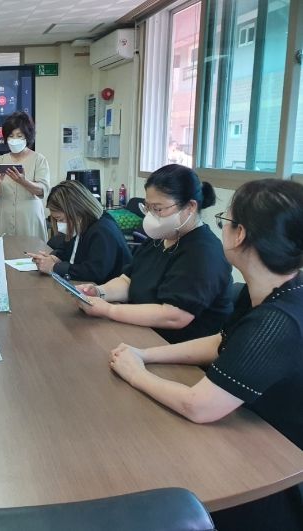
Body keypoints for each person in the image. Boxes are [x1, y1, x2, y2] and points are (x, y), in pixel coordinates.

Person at [107, 179, 303, 530]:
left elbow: (200, 406)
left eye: (225, 220)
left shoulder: (277, 321)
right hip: (248, 427)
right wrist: (146, 354)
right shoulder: (274, 290)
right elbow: (221, 342)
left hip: (276, 471)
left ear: (240, 234)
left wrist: (136, 373)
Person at [76, 164, 232, 343]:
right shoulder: (160, 238)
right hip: (141, 333)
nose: (151, 216)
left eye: (158, 209)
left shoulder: (203, 253)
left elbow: (174, 316)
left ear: (190, 207)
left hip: (174, 348)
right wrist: (99, 292)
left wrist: (109, 310)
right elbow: (128, 281)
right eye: (148, 208)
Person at [27, 180, 131, 284]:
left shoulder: (102, 231)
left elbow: (94, 272)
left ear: (75, 210)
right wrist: (54, 258)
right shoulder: (82, 224)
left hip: (106, 290)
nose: (59, 225)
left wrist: (54, 267)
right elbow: (66, 249)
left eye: (61, 219)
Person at [0, 111, 50, 239]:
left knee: (31, 249)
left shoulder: (39, 159)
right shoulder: (0, 160)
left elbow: (42, 191)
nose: (14, 139)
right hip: (3, 215)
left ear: (27, 136)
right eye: (11, 136)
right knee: (4, 248)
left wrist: (23, 182)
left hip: (29, 216)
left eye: (19, 135)